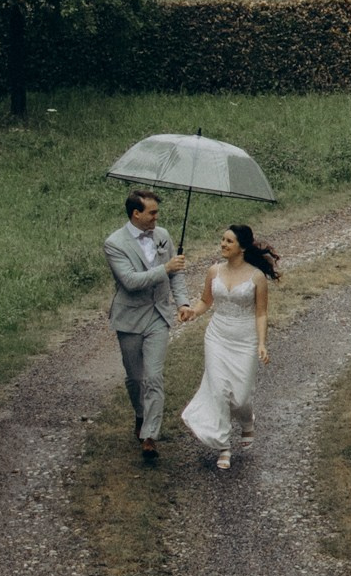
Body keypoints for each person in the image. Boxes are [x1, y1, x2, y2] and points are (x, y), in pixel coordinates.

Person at [177, 224, 279, 470]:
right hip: (217, 337)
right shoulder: (214, 271)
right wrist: (192, 311)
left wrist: (262, 343)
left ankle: (247, 420)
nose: (223, 244)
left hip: (245, 339)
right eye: (222, 240)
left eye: (229, 241)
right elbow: (205, 301)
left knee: (241, 396)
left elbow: (261, 314)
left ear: (242, 247)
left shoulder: (256, 277)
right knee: (220, 390)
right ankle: (224, 446)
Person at [104, 188, 186, 464]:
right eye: (151, 213)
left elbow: (177, 277)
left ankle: (150, 436)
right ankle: (140, 414)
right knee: (135, 378)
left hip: (158, 316)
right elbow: (130, 281)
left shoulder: (163, 236)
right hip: (129, 317)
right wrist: (166, 269)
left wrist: (183, 303)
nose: (156, 217)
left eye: (156, 212)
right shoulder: (114, 243)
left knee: (153, 376)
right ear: (135, 214)